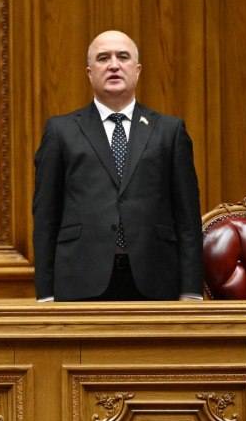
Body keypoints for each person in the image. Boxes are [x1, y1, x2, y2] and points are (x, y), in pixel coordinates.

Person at [32, 30, 203, 301]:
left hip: (155, 278)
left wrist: (191, 290)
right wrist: (45, 293)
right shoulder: (60, 131)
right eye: (103, 58)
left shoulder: (169, 132)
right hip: (80, 279)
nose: (113, 65)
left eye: (123, 57)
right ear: (89, 73)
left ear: (137, 70)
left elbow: (188, 219)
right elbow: (45, 216)